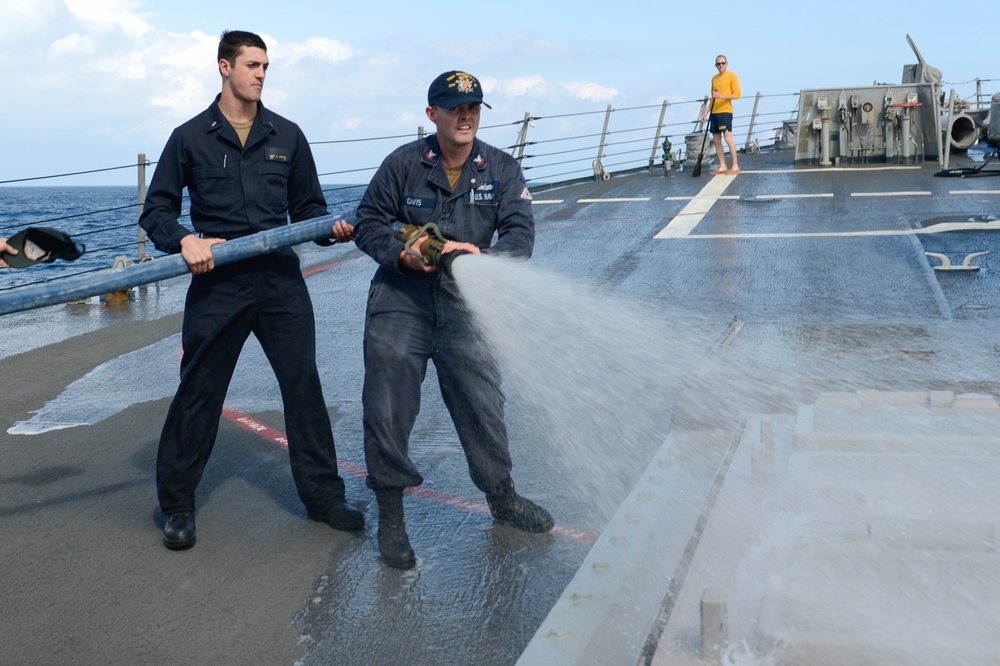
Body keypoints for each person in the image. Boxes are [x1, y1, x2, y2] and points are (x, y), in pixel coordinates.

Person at [139, 30, 363, 551]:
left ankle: (324, 499)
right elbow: (156, 212)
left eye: (266, 66)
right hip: (218, 283)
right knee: (199, 392)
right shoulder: (191, 136)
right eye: (252, 65)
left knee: (303, 387)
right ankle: (177, 505)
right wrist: (185, 239)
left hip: (280, 280)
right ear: (224, 67)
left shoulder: (287, 134)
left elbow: (309, 209)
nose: (261, 74)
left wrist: (330, 228)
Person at [350, 70, 554, 570]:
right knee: (389, 396)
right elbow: (368, 222)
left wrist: (479, 259)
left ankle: (501, 497)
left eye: (474, 108)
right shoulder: (402, 164)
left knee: (483, 399)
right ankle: (392, 514)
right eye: (454, 107)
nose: (465, 116)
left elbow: (520, 237)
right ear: (431, 114)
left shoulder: (502, 169)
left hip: (468, 303)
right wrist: (404, 255)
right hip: (404, 298)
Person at [701, 55, 741, 175]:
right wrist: (706, 112)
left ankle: (735, 166)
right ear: (716, 65)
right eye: (719, 64)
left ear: (727, 64)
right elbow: (713, 98)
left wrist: (721, 96)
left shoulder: (732, 76)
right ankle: (723, 166)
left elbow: (737, 94)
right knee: (717, 140)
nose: (721, 65)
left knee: (728, 138)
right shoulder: (714, 79)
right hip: (715, 112)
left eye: (723, 63)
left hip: (726, 111)